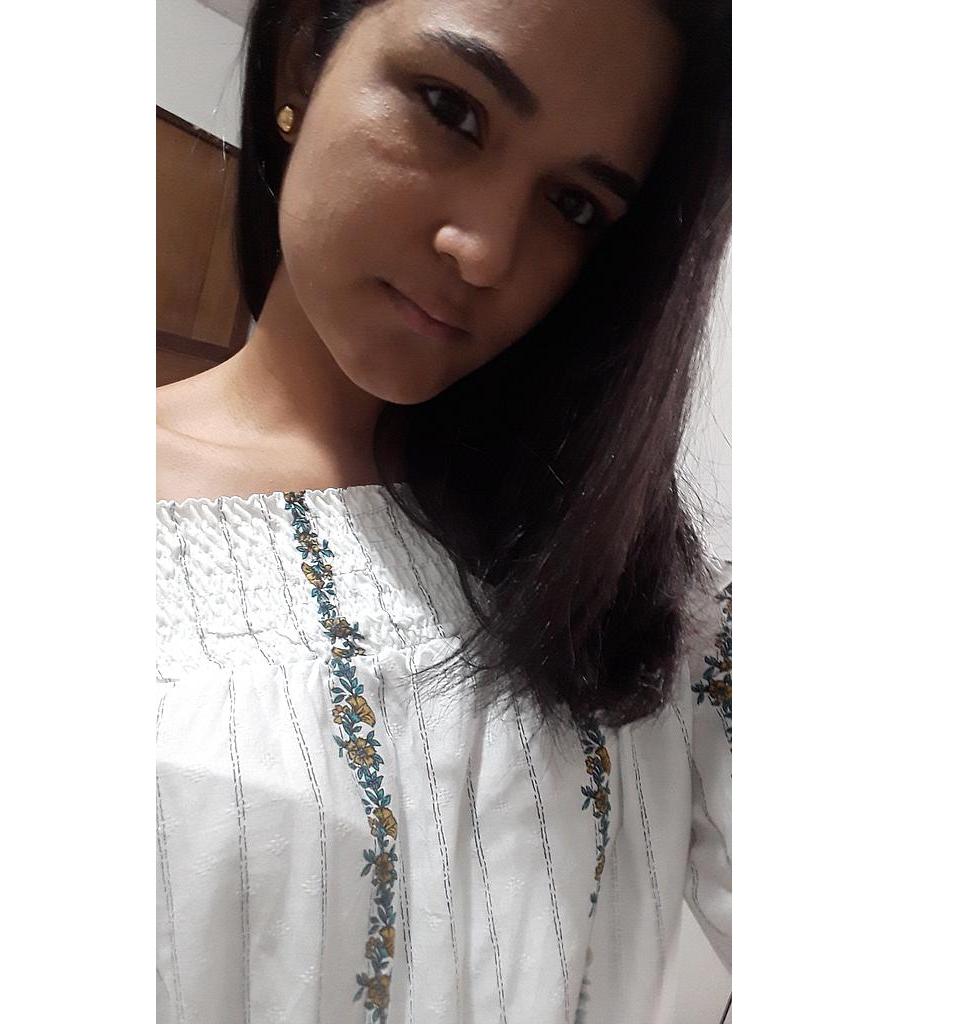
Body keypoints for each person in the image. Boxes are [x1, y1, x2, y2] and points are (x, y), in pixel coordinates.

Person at [156, 0, 731, 1021]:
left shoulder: (641, 590)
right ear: (304, 58)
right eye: (451, 110)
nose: (484, 251)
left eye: (574, 204)